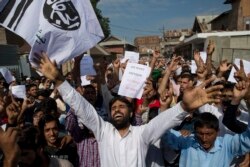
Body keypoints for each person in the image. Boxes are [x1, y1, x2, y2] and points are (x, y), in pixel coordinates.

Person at [35, 52, 222, 167]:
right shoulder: (103, 131)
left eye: (122, 106)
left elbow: (163, 122)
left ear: (132, 112)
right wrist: (60, 81)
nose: (117, 109)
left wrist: (183, 106)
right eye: (113, 107)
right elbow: (83, 108)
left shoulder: (142, 134)